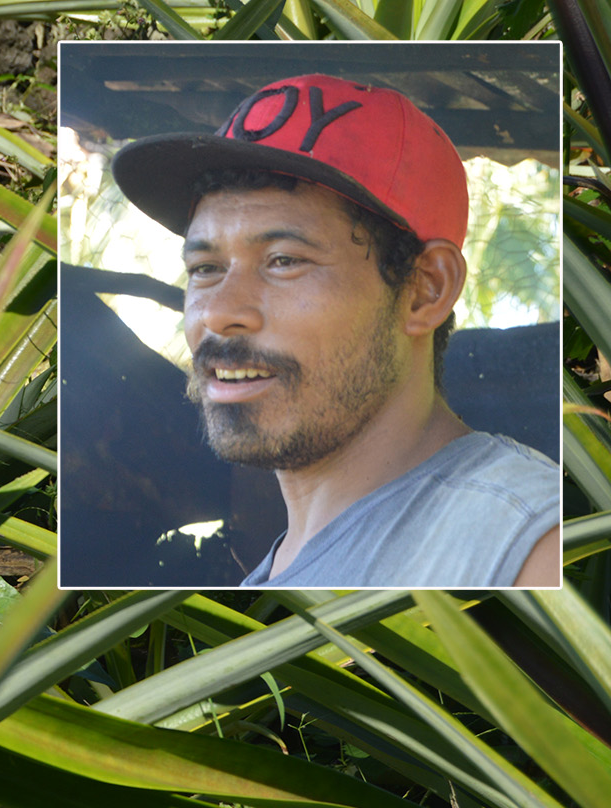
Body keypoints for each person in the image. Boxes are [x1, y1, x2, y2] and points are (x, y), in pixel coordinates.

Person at [110, 74, 561, 587]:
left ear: (425, 289)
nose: (217, 313)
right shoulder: (274, 575)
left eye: (283, 261)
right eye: (205, 268)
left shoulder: (524, 546)